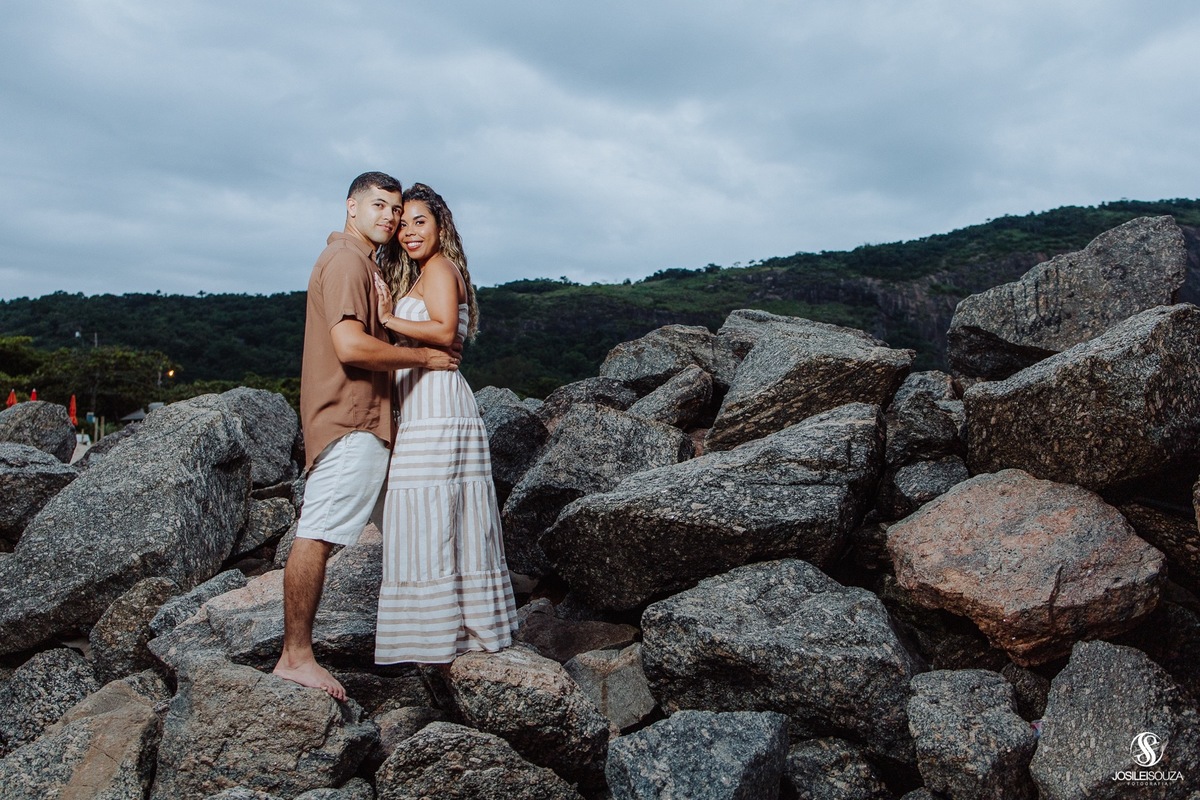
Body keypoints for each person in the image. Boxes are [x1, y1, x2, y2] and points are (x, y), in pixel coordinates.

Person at [273, 172, 461, 701]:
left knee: (413, 525)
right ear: (351, 207)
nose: (389, 216)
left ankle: (438, 638)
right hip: (351, 421)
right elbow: (351, 347)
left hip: (373, 424)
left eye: (395, 209)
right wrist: (425, 356)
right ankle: (295, 656)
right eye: (378, 205)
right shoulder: (346, 261)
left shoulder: (364, 264)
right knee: (319, 531)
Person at [371, 182, 517, 666]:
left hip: (439, 406)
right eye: (404, 224)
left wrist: (389, 317)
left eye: (420, 222)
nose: (410, 232)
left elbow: (441, 331)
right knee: (432, 512)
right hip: (423, 405)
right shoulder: (417, 272)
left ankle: (451, 635)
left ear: (440, 226)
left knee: (435, 509)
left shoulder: (439, 267)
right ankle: (438, 635)